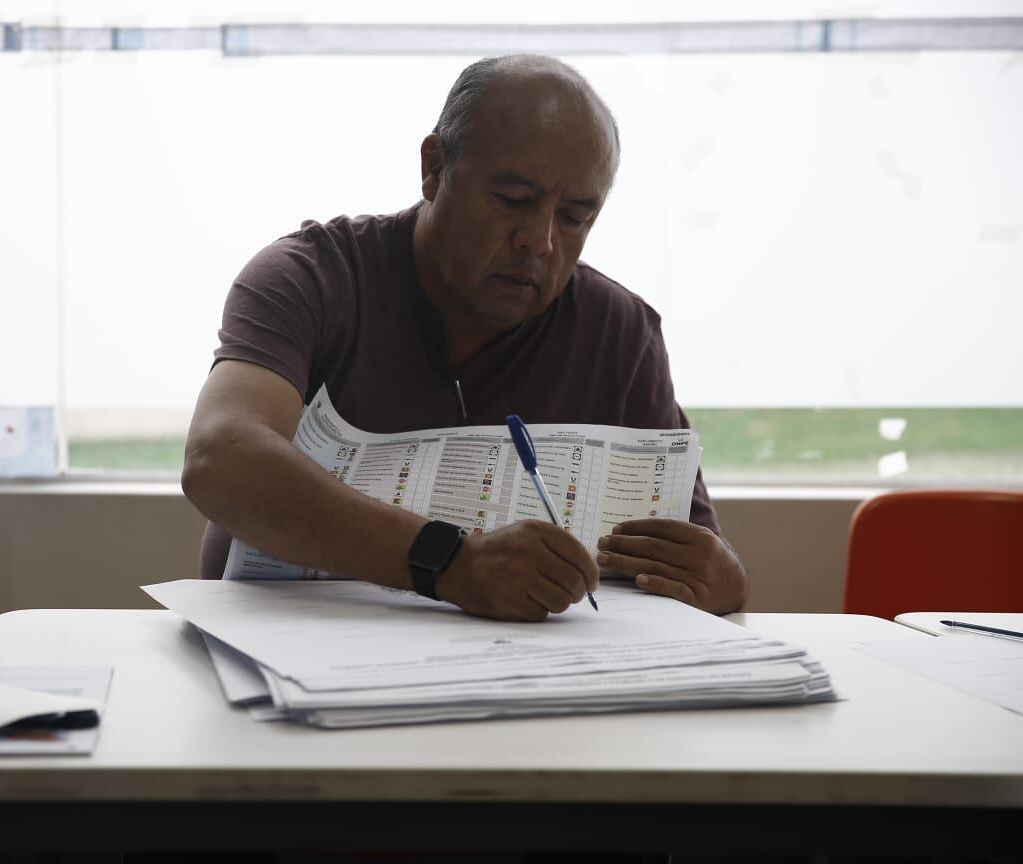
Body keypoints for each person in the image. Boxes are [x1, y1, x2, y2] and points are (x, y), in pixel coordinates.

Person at [182, 54, 747, 621]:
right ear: (434, 168)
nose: (540, 241)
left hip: (527, 686)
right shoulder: (312, 279)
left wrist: (723, 582)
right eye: (512, 201)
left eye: (574, 217)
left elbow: (695, 561)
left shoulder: (618, 334)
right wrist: (451, 563)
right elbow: (219, 458)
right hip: (278, 658)